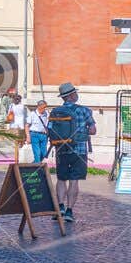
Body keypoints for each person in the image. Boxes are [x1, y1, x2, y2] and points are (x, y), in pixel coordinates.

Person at [47, 83, 95, 223]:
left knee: (61, 179)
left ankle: (60, 207)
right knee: (74, 180)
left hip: (61, 150)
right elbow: (92, 130)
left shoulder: (55, 111)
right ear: (71, 95)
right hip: (78, 150)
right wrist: (84, 130)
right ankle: (69, 211)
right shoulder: (84, 111)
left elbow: (49, 130)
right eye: (75, 92)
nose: (76, 94)